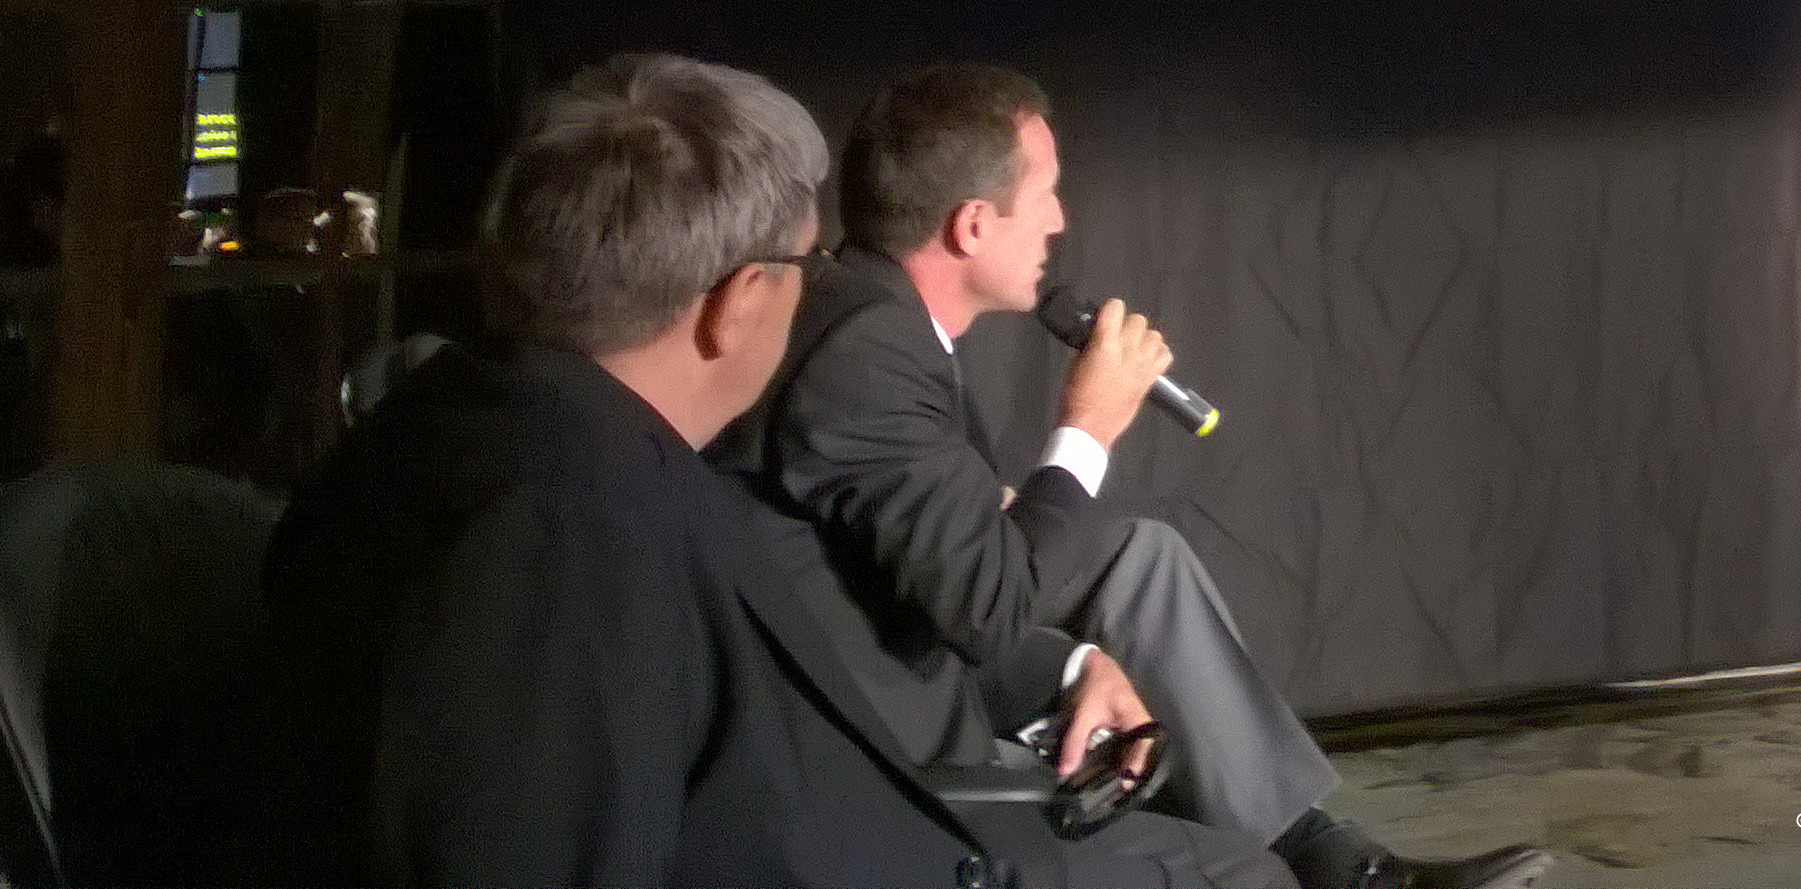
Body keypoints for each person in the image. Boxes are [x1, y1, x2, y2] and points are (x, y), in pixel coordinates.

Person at [261, 52, 1277, 887]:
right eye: (805, 270)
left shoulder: (456, 433)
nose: (819, 299)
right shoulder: (577, 538)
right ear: (740, 301)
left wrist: (1065, 666)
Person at [722, 65, 1548, 889]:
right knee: (1241, 869)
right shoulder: (868, 352)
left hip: (914, 630)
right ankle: (1283, 859)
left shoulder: (875, 316)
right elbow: (984, 608)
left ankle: (1323, 852)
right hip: (871, 724)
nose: (1059, 220)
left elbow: (920, 521)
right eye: (1044, 194)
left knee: (1137, 556)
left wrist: (1078, 657)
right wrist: (1087, 429)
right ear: (972, 226)